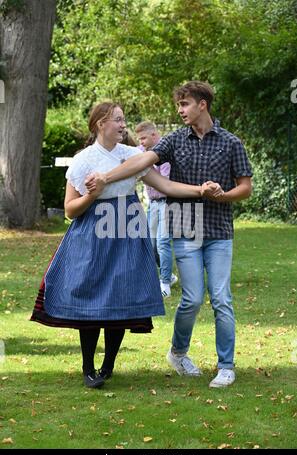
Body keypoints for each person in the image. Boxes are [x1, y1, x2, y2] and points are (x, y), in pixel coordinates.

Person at [31, 101, 211, 389]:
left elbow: (165, 186)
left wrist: (199, 190)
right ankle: (88, 367)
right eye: (118, 119)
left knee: (120, 296)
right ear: (101, 123)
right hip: (92, 234)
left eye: (123, 119)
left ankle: (108, 365)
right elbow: (70, 210)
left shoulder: (132, 156)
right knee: (91, 297)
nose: (123, 124)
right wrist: (93, 194)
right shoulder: (84, 160)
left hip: (128, 229)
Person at [86, 81, 253, 388]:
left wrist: (223, 195)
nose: (180, 110)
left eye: (185, 104)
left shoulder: (231, 143)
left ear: (202, 104)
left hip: (219, 230)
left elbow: (245, 187)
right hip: (185, 227)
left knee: (221, 298)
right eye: (178, 105)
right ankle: (178, 352)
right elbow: (143, 160)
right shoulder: (175, 140)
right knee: (190, 298)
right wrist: (106, 176)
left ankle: (226, 365)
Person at [135, 121, 177, 298]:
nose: (142, 142)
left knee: (163, 242)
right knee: (150, 244)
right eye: (140, 139)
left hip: (167, 202)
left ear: (154, 135)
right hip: (152, 203)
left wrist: (146, 165)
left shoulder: (166, 153)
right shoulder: (141, 151)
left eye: (144, 138)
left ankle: (165, 282)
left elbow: (165, 182)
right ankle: (171, 276)